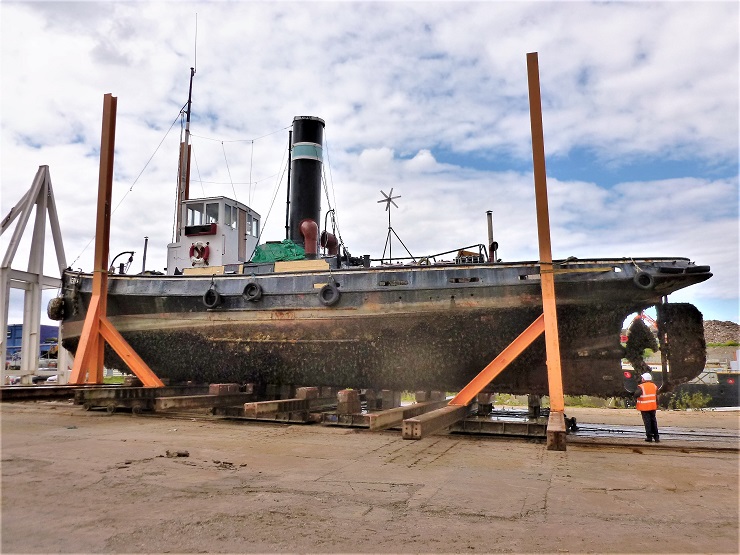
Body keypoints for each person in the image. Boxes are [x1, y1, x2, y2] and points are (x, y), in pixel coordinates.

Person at [635, 372, 660, 442]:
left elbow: (636, 394)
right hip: (652, 406)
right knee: (653, 421)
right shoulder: (654, 386)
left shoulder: (641, 386)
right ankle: (656, 437)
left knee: (647, 422)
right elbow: (656, 396)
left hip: (644, 407)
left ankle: (649, 437)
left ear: (644, 379)